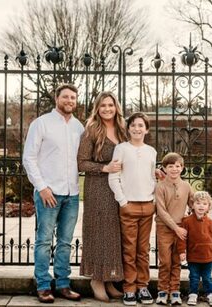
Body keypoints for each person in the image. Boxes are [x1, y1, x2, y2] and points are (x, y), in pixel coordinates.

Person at [22, 84, 84, 303]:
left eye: (73, 97)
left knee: (66, 242)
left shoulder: (78, 127)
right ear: (57, 98)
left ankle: (63, 285)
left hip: (72, 193)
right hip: (48, 192)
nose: (69, 100)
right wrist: (42, 187)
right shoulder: (41, 124)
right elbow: (29, 158)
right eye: (65, 96)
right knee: (44, 241)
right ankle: (43, 286)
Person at [77, 91, 127, 302]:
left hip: (120, 189)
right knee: (98, 232)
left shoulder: (123, 129)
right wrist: (104, 167)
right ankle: (96, 279)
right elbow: (81, 162)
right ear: (97, 108)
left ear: (117, 107)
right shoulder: (91, 130)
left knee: (114, 234)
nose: (107, 109)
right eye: (103, 105)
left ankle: (109, 279)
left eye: (111, 105)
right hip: (98, 187)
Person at [109, 112, 157, 306]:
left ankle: (142, 286)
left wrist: (153, 198)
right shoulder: (121, 149)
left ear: (146, 129)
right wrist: (123, 202)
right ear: (128, 128)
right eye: (134, 125)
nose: (137, 129)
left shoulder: (151, 151)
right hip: (128, 206)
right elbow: (114, 177)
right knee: (129, 250)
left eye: (141, 125)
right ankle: (129, 288)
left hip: (148, 206)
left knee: (143, 250)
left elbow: (152, 176)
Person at [154, 152, 194, 305]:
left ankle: (175, 291)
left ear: (182, 168)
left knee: (177, 260)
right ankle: (163, 291)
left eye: (178, 166)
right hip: (164, 228)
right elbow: (161, 211)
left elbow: (193, 202)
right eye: (170, 166)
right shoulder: (160, 187)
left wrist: (203, 208)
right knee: (165, 261)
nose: (174, 169)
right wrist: (175, 228)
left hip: (181, 228)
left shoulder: (186, 186)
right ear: (164, 168)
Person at [180, 191, 212, 306]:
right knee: (194, 277)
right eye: (198, 203)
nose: (201, 206)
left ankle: (211, 294)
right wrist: (182, 251)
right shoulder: (187, 221)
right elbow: (182, 239)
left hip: (208, 257)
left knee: (207, 278)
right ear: (192, 205)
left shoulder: (211, 223)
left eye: (204, 204)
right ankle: (193, 294)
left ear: (209, 206)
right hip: (193, 257)